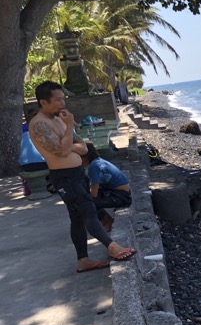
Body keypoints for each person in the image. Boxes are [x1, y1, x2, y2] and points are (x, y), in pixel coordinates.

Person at [29, 81, 136, 272]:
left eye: (63, 99)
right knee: (88, 209)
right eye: (58, 100)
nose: (63, 104)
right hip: (63, 177)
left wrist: (67, 139)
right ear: (43, 102)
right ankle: (112, 247)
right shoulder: (39, 124)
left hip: (77, 174)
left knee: (77, 218)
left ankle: (83, 260)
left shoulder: (59, 119)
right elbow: (62, 152)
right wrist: (69, 129)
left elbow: (83, 147)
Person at [81, 142, 132, 232]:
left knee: (87, 202)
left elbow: (94, 194)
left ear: (84, 156)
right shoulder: (98, 161)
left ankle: (107, 222)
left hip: (122, 197)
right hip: (122, 193)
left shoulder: (94, 167)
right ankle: (106, 220)